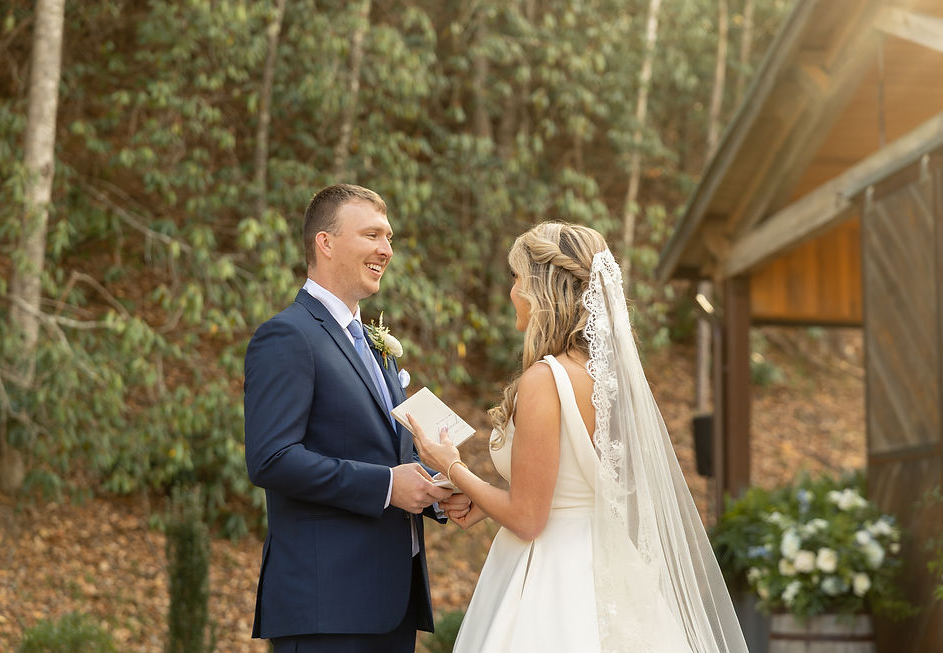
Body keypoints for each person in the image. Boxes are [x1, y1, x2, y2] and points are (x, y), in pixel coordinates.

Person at [410, 222, 749, 652]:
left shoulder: (544, 380)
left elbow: (529, 519)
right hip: (607, 567)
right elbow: (564, 487)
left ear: (541, 289)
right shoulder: (611, 380)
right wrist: (485, 500)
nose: (511, 292)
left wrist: (451, 467)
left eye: (517, 279)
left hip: (552, 577)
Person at [244, 184, 464, 653]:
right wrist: (386, 486)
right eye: (372, 235)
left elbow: (384, 450)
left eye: (388, 238)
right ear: (325, 243)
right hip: (328, 609)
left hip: (393, 608)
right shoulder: (287, 335)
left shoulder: (372, 343)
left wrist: (438, 492)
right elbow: (272, 459)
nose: (386, 250)